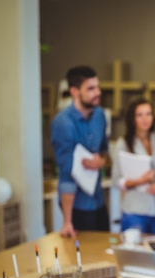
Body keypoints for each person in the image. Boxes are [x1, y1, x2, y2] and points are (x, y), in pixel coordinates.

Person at [51, 65, 109, 238]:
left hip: (97, 197)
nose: (97, 92)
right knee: (82, 256)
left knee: (104, 248)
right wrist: (67, 221)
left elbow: (104, 150)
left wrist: (102, 161)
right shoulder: (63, 123)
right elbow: (67, 173)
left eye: (97, 86)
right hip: (77, 204)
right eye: (90, 89)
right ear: (74, 91)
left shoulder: (100, 115)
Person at [111, 98, 155, 234]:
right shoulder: (123, 143)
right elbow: (116, 181)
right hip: (134, 210)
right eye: (140, 115)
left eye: (149, 114)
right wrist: (141, 181)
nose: (145, 119)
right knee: (135, 252)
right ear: (132, 118)